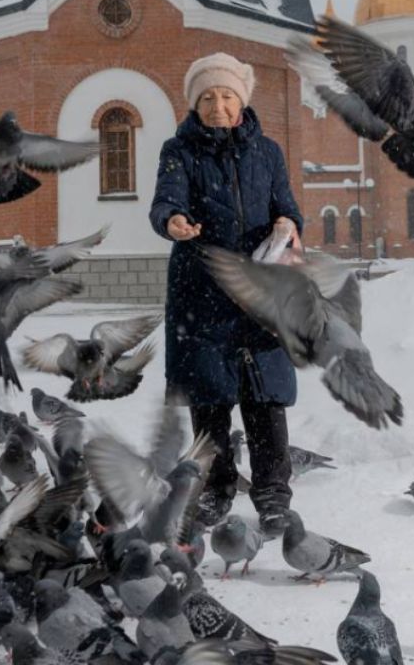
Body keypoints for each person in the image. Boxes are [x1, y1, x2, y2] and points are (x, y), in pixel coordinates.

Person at [150, 52, 304, 536]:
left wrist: (288, 223)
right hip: (203, 289)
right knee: (210, 402)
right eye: (208, 97)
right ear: (195, 104)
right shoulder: (178, 151)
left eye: (227, 95)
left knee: (265, 400)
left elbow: (288, 206)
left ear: (242, 100)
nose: (218, 106)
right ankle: (214, 490)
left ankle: (274, 496)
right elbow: (166, 200)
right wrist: (172, 221)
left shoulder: (269, 152)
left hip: (259, 289)